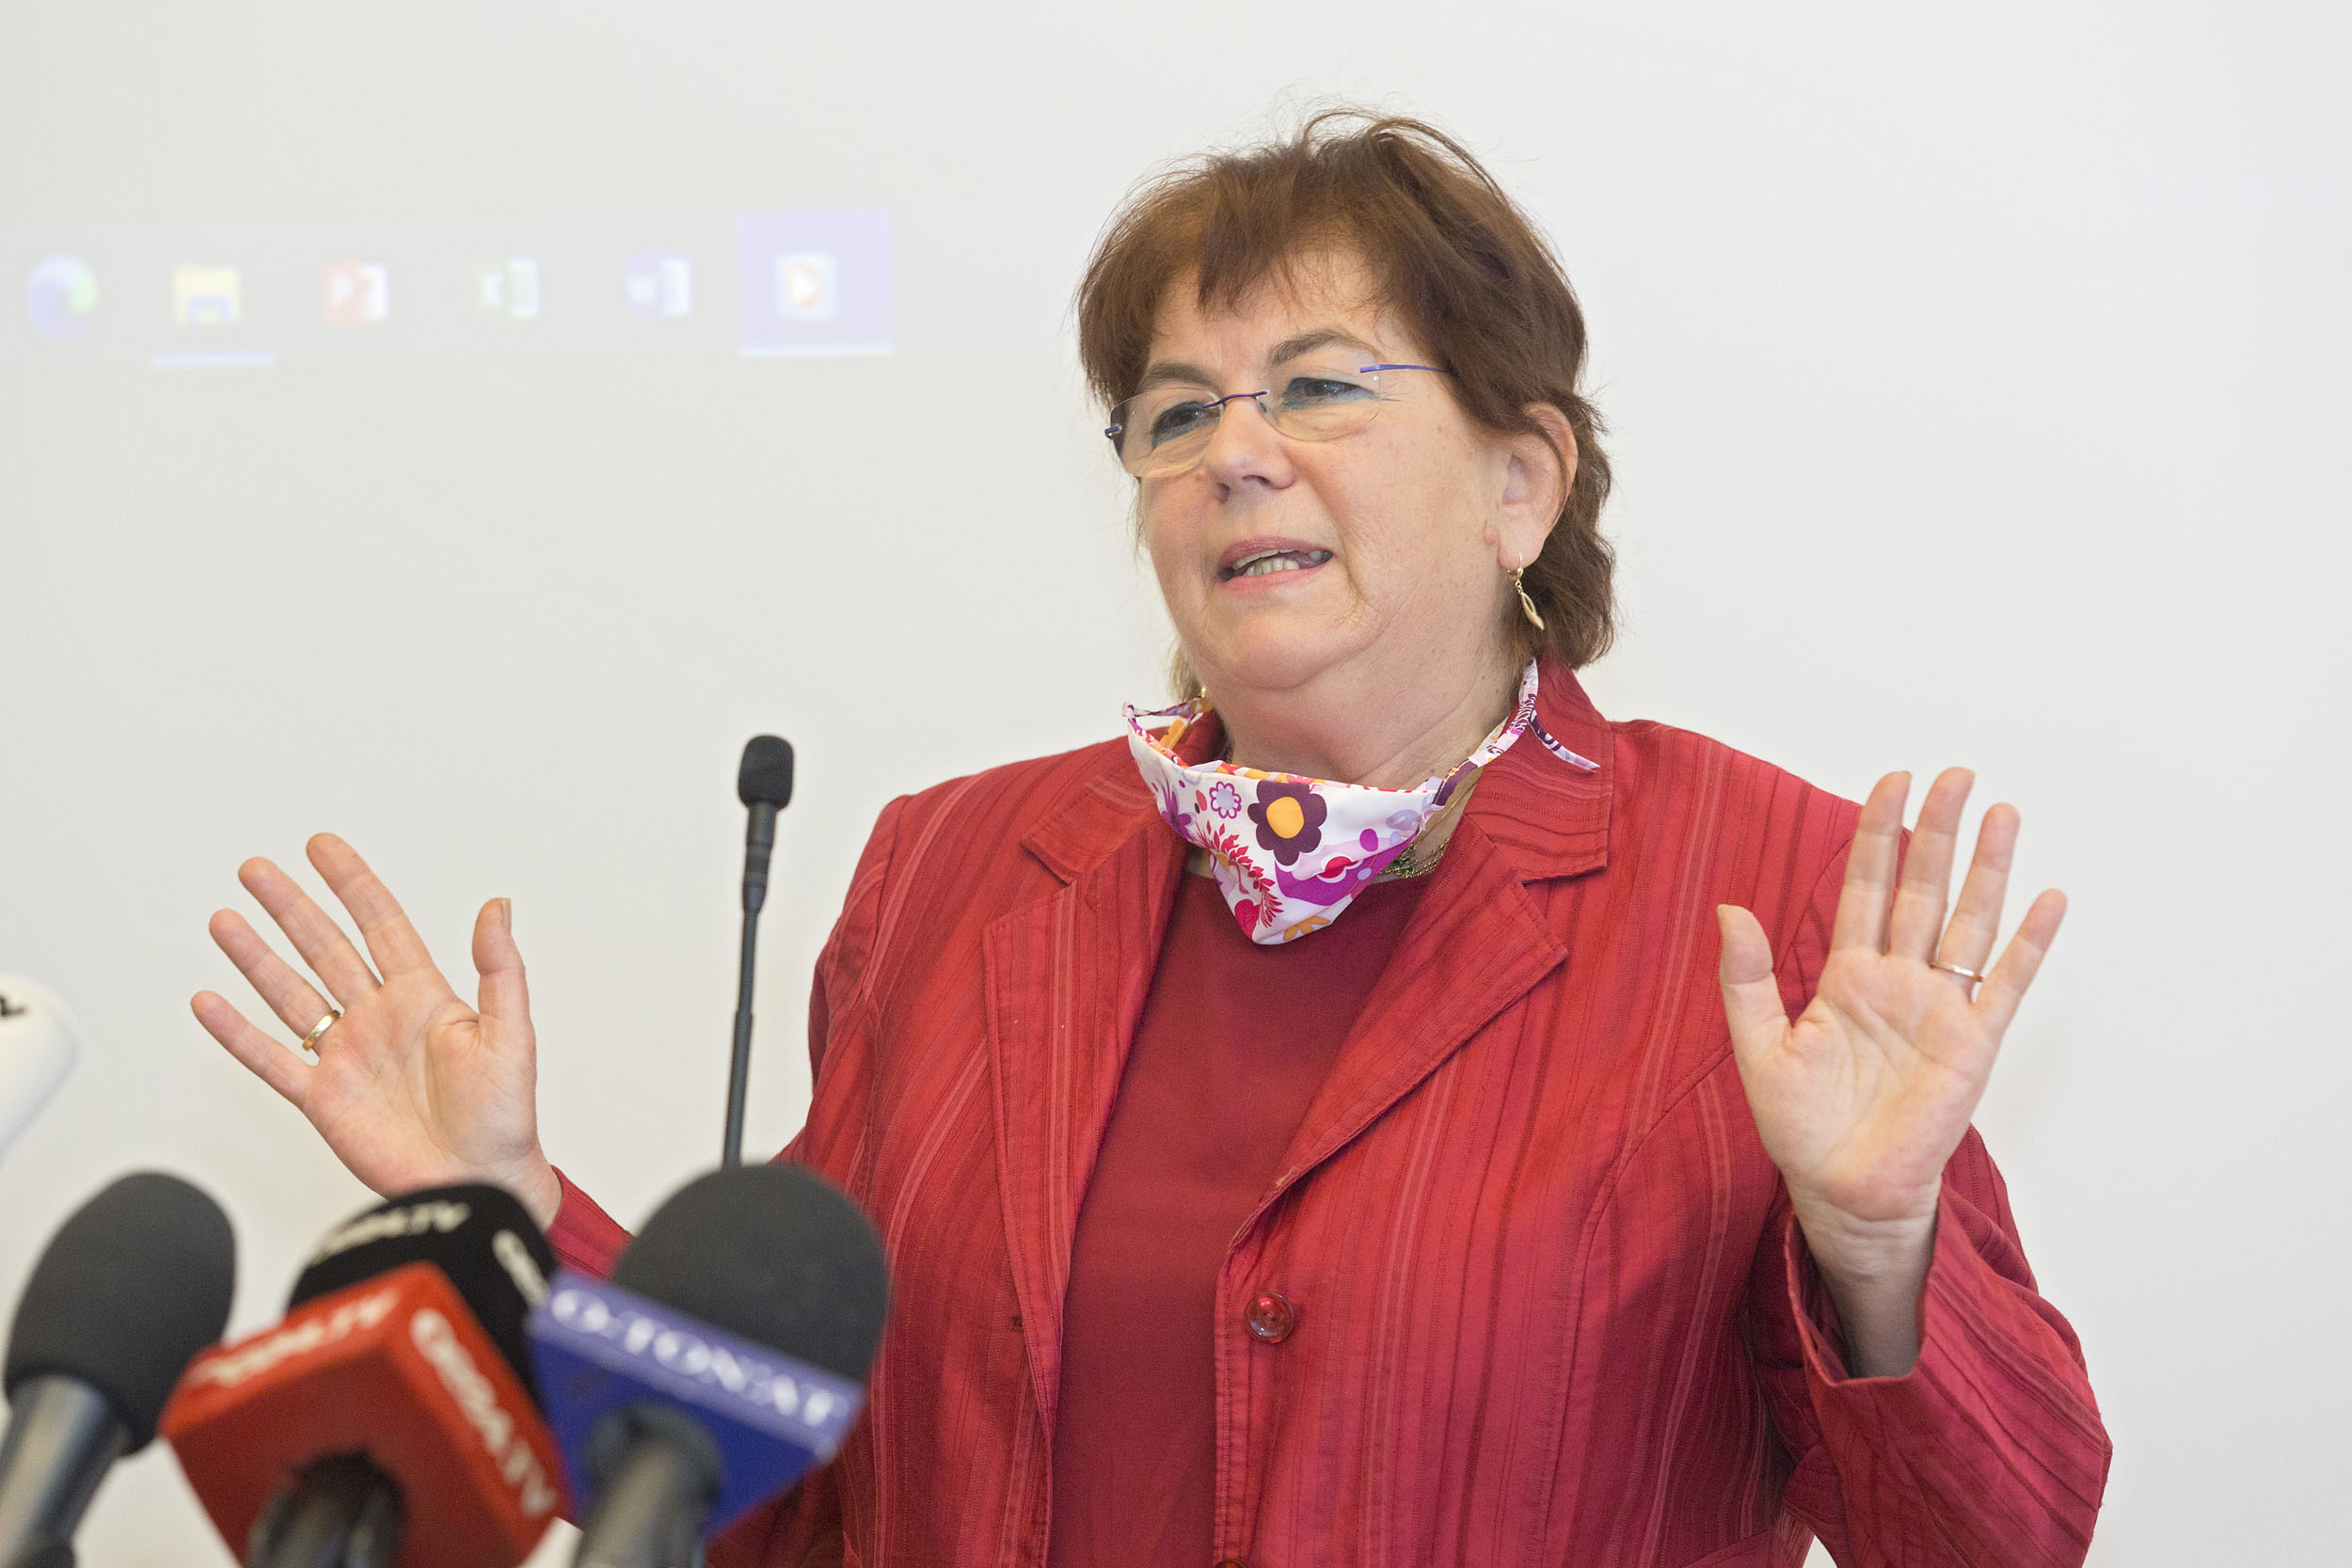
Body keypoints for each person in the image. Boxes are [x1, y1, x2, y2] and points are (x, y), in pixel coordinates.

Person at [191, 112, 2110, 1568]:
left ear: (1521, 481)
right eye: (1172, 412)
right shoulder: (957, 873)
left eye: (1320, 387)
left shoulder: (1761, 902)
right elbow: (784, 1478)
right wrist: (512, 1218)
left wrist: (1876, 1248)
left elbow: (2000, 1540)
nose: (1231, 452)